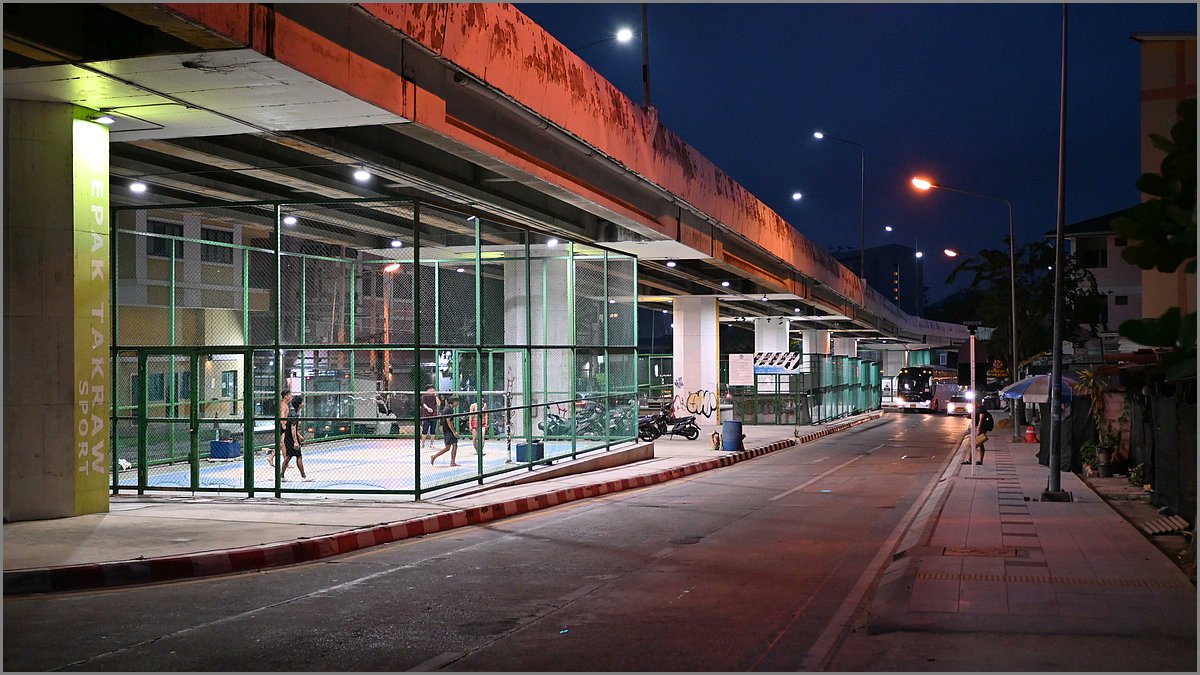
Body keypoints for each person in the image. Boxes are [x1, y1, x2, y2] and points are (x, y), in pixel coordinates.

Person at [280, 395, 311, 481]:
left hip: (288, 437)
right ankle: (303, 477)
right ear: (299, 404)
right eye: (302, 402)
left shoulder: (293, 413)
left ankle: (281, 476)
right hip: (291, 438)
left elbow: (293, 428)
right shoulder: (294, 414)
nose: (303, 404)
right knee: (298, 456)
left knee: (288, 457)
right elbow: (293, 428)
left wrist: (299, 436)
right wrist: (295, 441)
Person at [430, 396, 460, 467]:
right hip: (448, 430)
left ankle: (452, 461)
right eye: (457, 402)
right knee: (450, 446)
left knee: (452, 446)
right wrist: (454, 431)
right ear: (454, 402)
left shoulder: (448, 408)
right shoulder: (449, 409)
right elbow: (448, 421)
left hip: (447, 429)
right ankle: (435, 456)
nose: (458, 403)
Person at [267, 388, 292, 467]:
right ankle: (286, 462)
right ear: (285, 396)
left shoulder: (284, 404)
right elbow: (282, 415)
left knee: (282, 444)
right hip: (282, 425)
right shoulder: (284, 405)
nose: (291, 396)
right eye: (289, 395)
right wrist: (283, 425)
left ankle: (271, 457)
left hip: (281, 424)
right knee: (283, 444)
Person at [419, 385, 440, 450]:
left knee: (433, 430)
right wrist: (428, 408)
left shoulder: (434, 396)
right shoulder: (424, 396)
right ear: (427, 390)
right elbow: (423, 404)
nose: (432, 390)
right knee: (424, 430)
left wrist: (436, 396)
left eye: (433, 389)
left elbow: (439, 403)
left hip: (434, 415)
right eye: (430, 389)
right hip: (426, 415)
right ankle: (422, 444)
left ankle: (432, 444)